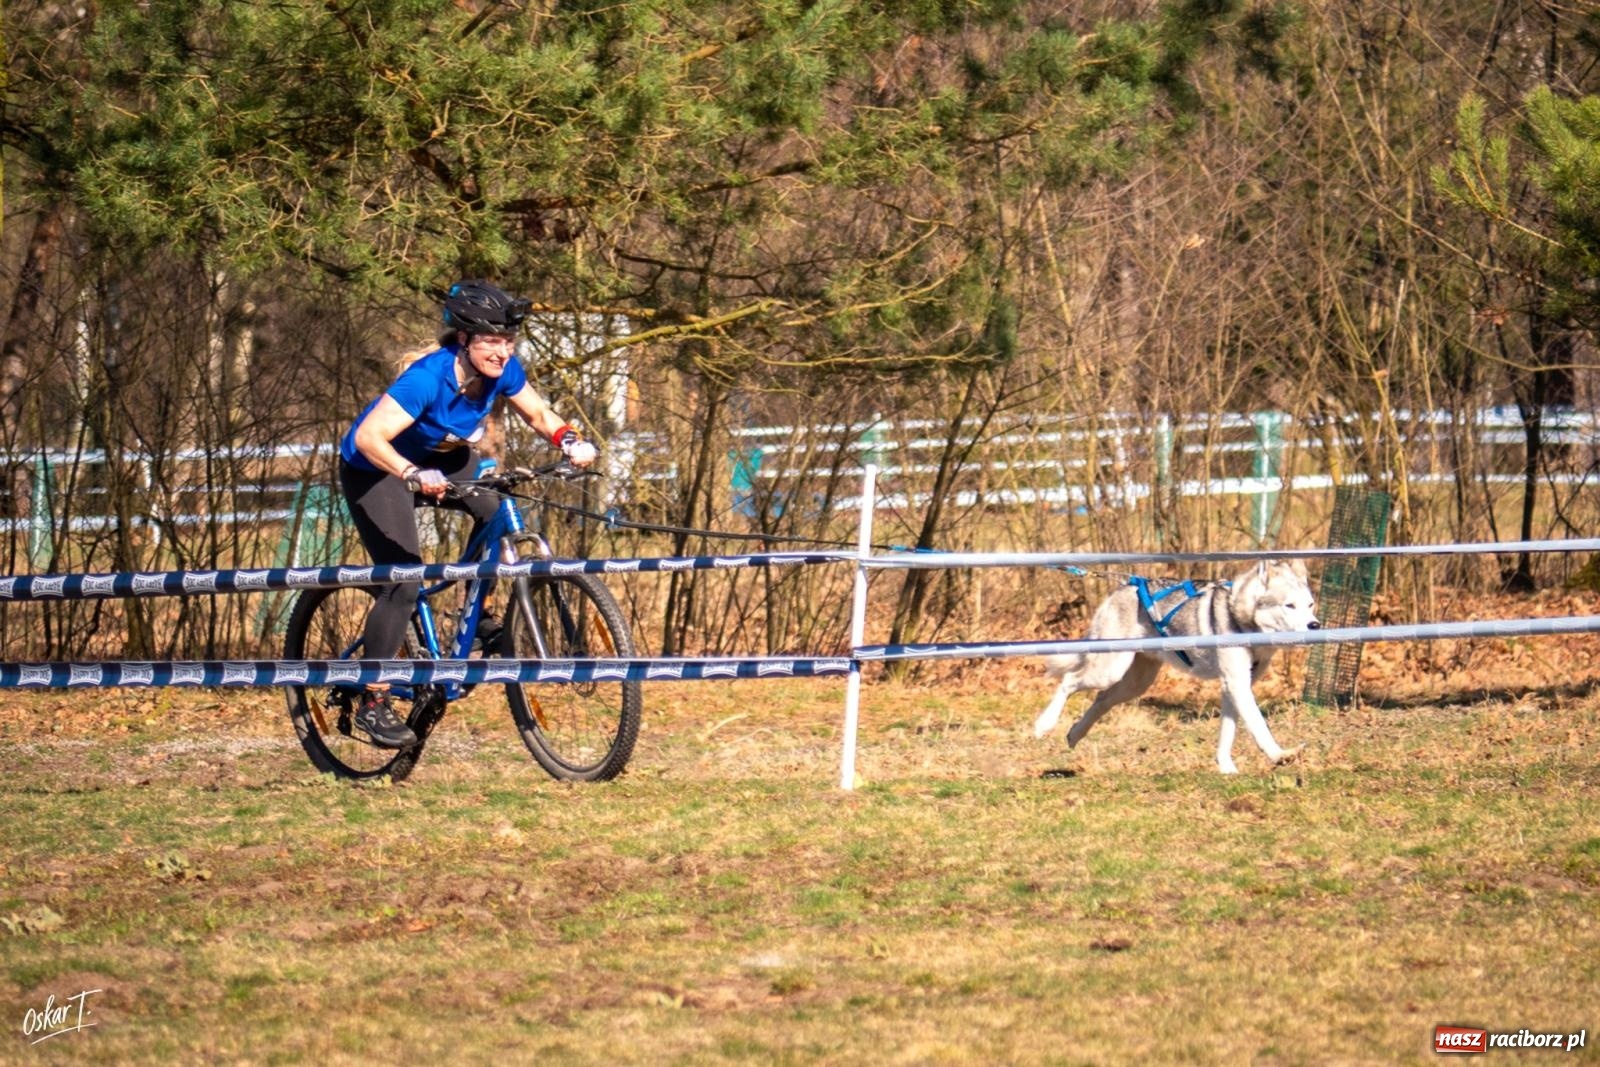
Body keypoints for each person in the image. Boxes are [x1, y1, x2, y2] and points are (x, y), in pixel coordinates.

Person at [337, 280, 597, 748]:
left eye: (508, 341)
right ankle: (371, 698)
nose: (503, 352)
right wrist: (411, 473)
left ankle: (480, 616)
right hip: (380, 468)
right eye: (492, 342)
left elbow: (539, 414)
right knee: (405, 578)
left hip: (446, 460)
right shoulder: (426, 379)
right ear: (464, 340)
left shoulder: (502, 371)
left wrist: (570, 441)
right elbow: (369, 438)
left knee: (496, 510)